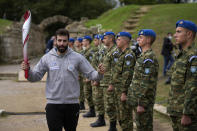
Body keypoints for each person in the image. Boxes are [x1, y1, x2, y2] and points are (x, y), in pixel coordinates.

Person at [21, 28, 104, 131]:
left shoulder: (77, 58)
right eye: (59, 40)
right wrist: (28, 71)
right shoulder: (47, 58)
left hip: (72, 105)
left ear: (68, 42)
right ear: (55, 41)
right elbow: (35, 77)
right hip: (53, 105)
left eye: (64, 41)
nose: (62, 43)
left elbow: (92, 74)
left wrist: (100, 73)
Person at [167, 20, 197, 131]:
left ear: (189, 34)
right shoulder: (181, 55)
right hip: (176, 110)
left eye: (179, 32)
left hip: (186, 113)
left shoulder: (193, 57)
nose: (175, 35)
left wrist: (187, 113)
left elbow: (193, 86)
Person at [127, 29, 159, 131]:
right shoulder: (143, 56)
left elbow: (146, 82)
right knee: (140, 126)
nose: (137, 39)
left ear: (148, 40)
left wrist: (141, 103)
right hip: (138, 99)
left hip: (143, 102)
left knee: (144, 127)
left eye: (141, 37)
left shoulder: (149, 58)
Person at [110, 32, 136, 131]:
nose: (116, 41)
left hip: (123, 90)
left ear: (125, 41)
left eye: (119, 39)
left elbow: (127, 75)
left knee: (126, 117)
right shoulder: (122, 54)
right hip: (118, 89)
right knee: (121, 116)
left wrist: (124, 92)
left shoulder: (128, 55)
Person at [101, 31, 117, 131]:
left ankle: (113, 127)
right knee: (108, 105)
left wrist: (112, 83)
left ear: (111, 39)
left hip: (110, 83)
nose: (103, 40)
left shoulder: (114, 51)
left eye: (105, 38)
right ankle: (112, 126)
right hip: (105, 82)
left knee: (111, 105)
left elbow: (115, 69)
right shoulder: (108, 51)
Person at [90, 34, 106, 127]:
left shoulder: (102, 52)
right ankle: (100, 118)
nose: (94, 42)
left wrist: (97, 79)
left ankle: (101, 119)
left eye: (96, 40)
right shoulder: (99, 51)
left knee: (99, 100)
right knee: (97, 99)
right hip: (96, 77)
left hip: (101, 80)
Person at [81, 35, 96, 117]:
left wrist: (89, 77)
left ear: (88, 41)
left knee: (89, 94)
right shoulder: (85, 51)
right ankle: (91, 110)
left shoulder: (91, 51)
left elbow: (91, 64)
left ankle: (93, 111)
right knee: (87, 94)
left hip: (89, 76)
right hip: (84, 75)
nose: (82, 42)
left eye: (84, 41)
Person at [74, 37, 85, 110]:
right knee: (78, 89)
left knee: (81, 89)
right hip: (77, 74)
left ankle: (82, 104)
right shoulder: (77, 52)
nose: (76, 43)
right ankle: (80, 102)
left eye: (77, 42)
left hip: (82, 74)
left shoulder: (82, 52)